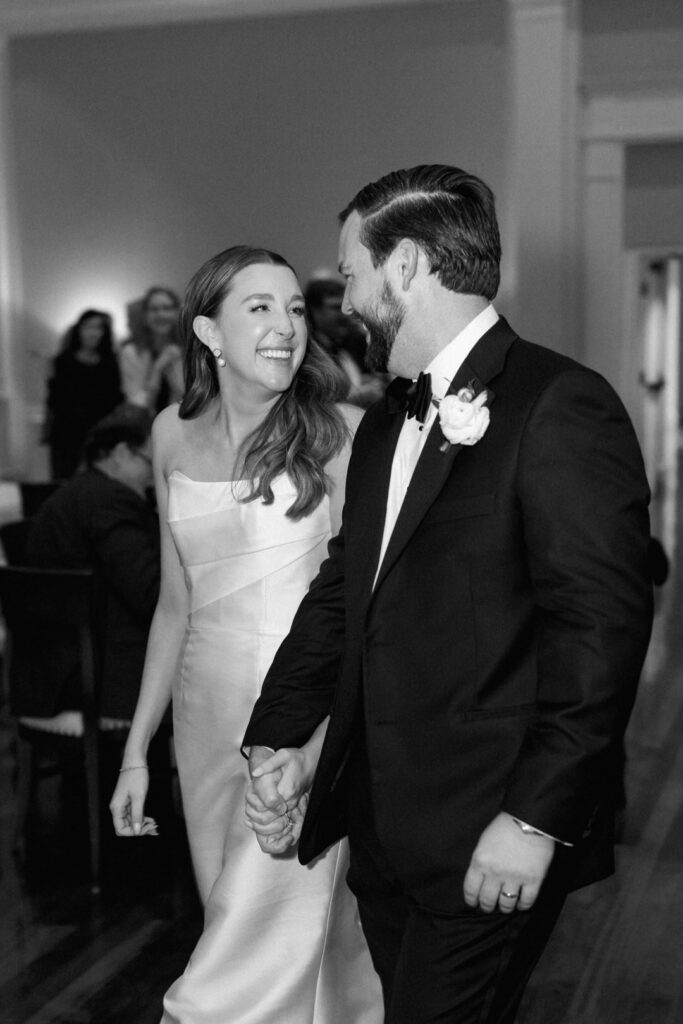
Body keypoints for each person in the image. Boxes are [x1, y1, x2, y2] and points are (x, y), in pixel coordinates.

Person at [242, 165, 654, 1024]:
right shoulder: (390, 418)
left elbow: (600, 631)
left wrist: (533, 822)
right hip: (388, 828)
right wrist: (278, 735)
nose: (343, 299)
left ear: (406, 266)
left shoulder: (560, 403)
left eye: (351, 272)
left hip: (489, 829)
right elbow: (344, 590)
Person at [109, 246, 383, 1024]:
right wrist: (137, 750)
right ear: (209, 331)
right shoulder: (168, 433)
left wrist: (321, 737)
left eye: (295, 308)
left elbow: (364, 613)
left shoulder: (343, 434)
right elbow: (173, 604)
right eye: (259, 307)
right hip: (203, 716)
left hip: (303, 718)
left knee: (272, 933)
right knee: (229, 909)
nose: (286, 326)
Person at [25, 407, 159, 723]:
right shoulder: (109, 501)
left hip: (51, 666)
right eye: (150, 463)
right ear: (121, 453)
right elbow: (148, 593)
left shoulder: (81, 492)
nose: (156, 475)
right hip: (90, 674)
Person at [43, 309, 123, 479]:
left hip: (100, 435)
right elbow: (56, 401)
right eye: (88, 327)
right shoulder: (62, 361)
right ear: (79, 329)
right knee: (64, 481)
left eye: (98, 327)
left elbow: (113, 401)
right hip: (66, 436)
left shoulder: (110, 363)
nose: (93, 333)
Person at [305, 276, 385, 407]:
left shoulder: (353, 342)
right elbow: (315, 403)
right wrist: (357, 396)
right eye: (336, 307)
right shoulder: (308, 354)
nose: (345, 314)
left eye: (347, 307)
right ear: (314, 311)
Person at [119, 286, 184, 412]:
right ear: (144, 316)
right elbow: (136, 402)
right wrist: (157, 368)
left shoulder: (187, 349)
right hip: (145, 427)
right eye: (154, 309)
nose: (161, 314)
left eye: (167, 308)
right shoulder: (131, 352)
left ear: (177, 313)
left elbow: (190, 396)